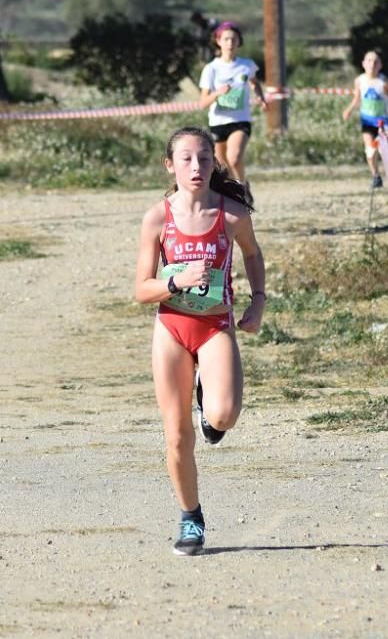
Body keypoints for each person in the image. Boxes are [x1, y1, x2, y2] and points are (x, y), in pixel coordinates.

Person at [134, 126, 266, 556]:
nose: (197, 167)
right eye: (187, 159)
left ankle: (210, 402)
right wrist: (177, 282)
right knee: (176, 436)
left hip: (215, 326)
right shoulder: (158, 217)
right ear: (170, 166)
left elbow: (251, 253)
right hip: (172, 327)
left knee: (223, 416)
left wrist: (258, 301)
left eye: (205, 158)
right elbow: (141, 289)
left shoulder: (231, 215)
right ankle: (190, 517)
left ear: (215, 163)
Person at [198, 22, 268, 184]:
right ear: (218, 41)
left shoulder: (246, 65)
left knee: (234, 158)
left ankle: (243, 187)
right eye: (226, 39)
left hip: (240, 120)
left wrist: (260, 97)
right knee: (223, 169)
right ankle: (232, 195)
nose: (230, 43)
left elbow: (254, 83)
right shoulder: (211, 69)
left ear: (239, 42)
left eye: (234, 39)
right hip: (218, 121)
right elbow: (202, 103)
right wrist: (217, 93)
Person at [341, 50, 388, 190]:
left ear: (380, 65)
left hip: (383, 121)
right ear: (363, 64)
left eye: (375, 61)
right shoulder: (359, 81)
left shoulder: (384, 82)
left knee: (382, 150)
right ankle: (375, 177)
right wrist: (348, 110)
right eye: (369, 60)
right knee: (370, 150)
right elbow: (357, 99)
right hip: (367, 121)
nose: (372, 64)